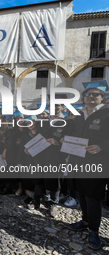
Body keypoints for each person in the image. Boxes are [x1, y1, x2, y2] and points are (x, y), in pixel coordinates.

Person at [67, 81, 109, 250]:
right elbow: (73, 134)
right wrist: (65, 140)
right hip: (79, 161)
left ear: (102, 97)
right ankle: (85, 221)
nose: (91, 97)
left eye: (95, 94)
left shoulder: (107, 113)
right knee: (82, 194)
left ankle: (94, 231)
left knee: (93, 197)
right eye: (88, 94)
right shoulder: (79, 114)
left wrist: (102, 146)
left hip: (97, 162)